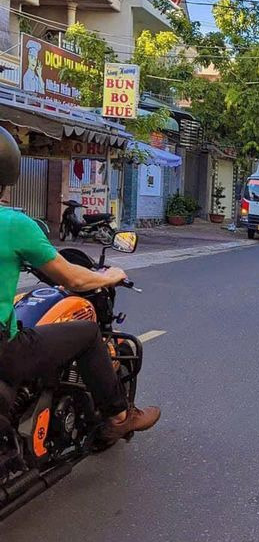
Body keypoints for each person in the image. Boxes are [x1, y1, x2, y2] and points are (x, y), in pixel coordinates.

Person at [0, 127, 160, 441]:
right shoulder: (14, 224)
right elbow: (72, 277)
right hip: (4, 352)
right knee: (87, 333)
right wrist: (108, 276)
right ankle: (119, 416)